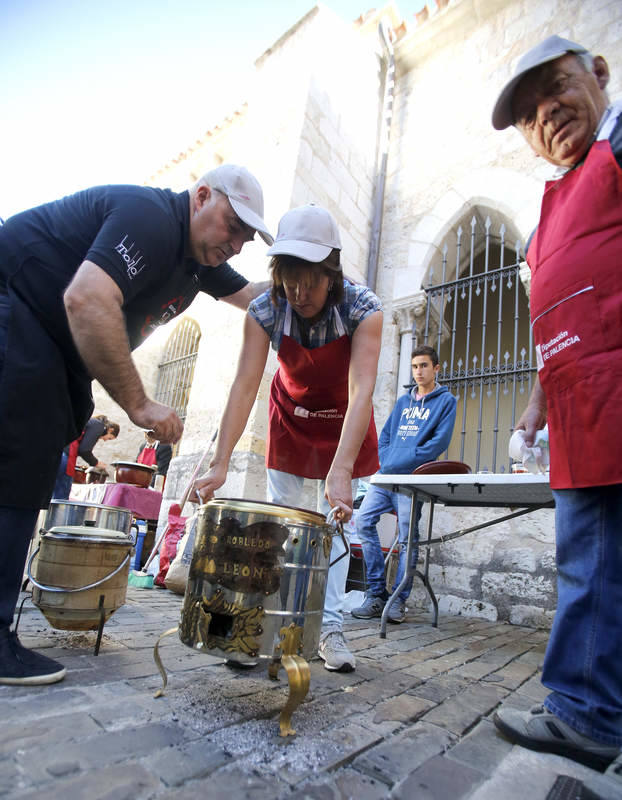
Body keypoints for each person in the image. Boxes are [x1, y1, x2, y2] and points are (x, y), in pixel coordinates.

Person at [0, 163, 273, 686]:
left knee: (28, 471)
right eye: (233, 226)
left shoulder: (199, 261)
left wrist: (309, 275)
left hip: (55, 346)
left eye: (247, 236)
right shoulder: (150, 218)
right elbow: (86, 298)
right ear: (201, 197)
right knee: (13, 471)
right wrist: (140, 404)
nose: (238, 244)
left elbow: (253, 296)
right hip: (17, 309)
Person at [490, 35, 622, 770]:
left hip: (615, 391)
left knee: (596, 563)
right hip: (577, 410)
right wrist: (537, 403)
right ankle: (590, 710)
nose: (546, 114)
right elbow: (557, 312)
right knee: (589, 565)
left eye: (556, 88)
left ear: (597, 73)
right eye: (528, 114)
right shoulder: (549, 214)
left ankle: (588, 713)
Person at [195, 204, 383, 672]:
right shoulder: (264, 309)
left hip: (344, 421)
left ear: (331, 274)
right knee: (282, 525)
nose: (299, 294)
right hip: (291, 419)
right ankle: (265, 625)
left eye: (310, 283)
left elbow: (362, 392)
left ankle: (329, 627)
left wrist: (341, 471)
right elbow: (244, 386)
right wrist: (220, 462)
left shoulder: (363, 309)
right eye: (289, 282)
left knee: (335, 526)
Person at [352, 345, 457, 623]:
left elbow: (438, 443)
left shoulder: (446, 402)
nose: (418, 372)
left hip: (412, 480)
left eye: (424, 366)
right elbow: (385, 436)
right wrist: (388, 460)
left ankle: (398, 601)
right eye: (415, 367)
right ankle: (376, 594)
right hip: (386, 477)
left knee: (408, 538)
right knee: (363, 521)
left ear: (436, 368)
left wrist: (403, 460)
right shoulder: (402, 403)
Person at [52, 414, 120, 499]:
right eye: (109, 438)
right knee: (62, 492)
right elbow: (84, 449)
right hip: (66, 455)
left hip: (59, 452)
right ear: (110, 430)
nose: (105, 440)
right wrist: (96, 463)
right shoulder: (98, 425)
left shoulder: (93, 423)